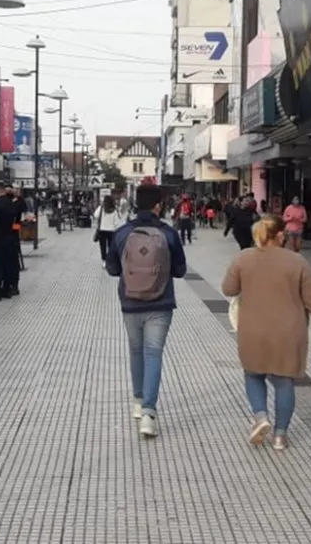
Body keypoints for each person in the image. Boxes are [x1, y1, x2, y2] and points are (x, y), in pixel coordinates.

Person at [222, 216, 311, 450]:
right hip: (288, 331)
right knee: (283, 381)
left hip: (253, 329)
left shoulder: (243, 258)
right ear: (281, 235)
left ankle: (261, 417)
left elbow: (228, 288)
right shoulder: (297, 261)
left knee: (253, 374)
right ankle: (281, 435)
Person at [106, 184, 187, 438]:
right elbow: (180, 271)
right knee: (154, 353)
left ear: (135, 203)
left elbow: (111, 270)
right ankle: (150, 414)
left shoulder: (122, 233)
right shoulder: (169, 233)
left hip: (130, 303)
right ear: (158, 205)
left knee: (136, 351)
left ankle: (138, 402)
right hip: (161, 304)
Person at [94, 195, 126, 268]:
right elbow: (117, 222)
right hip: (112, 231)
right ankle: (110, 261)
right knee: (110, 246)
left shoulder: (101, 208)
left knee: (103, 247)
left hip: (102, 230)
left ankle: (104, 261)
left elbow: (95, 215)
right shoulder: (115, 210)